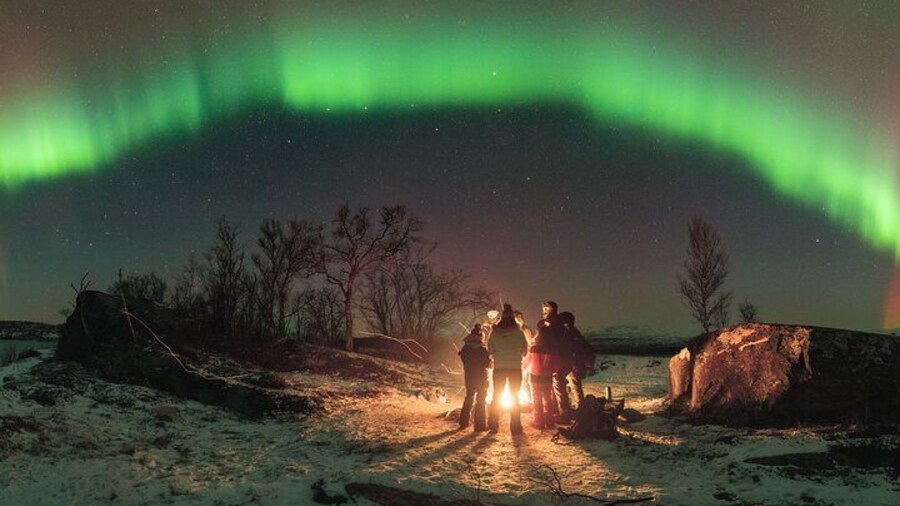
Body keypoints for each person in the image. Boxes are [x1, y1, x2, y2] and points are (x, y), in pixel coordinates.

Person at [487, 304, 528, 434]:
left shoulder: (494, 333)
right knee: (515, 397)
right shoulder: (519, 333)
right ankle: (515, 427)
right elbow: (525, 351)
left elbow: (490, 350)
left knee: (496, 396)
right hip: (515, 368)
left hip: (499, 368)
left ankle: (493, 425)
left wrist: (497, 355)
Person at [529, 309, 560, 429]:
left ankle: (538, 422)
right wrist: (552, 371)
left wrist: (527, 368)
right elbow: (556, 364)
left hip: (535, 376)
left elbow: (527, 362)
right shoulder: (552, 349)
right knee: (548, 398)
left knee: (536, 400)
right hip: (547, 376)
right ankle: (550, 421)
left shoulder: (533, 348)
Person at [458, 324, 491, 431]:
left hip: (470, 378)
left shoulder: (465, 349)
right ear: (481, 336)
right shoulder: (482, 349)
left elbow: (464, 360)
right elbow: (488, 364)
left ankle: (463, 422)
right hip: (482, 378)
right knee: (481, 400)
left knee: (469, 398)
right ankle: (480, 425)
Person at [559, 312, 595, 409]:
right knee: (572, 386)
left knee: (575, 386)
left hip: (573, 364)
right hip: (572, 363)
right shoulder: (573, 332)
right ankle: (577, 406)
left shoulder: (571, 333)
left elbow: (576, 349)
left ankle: (580, 408)